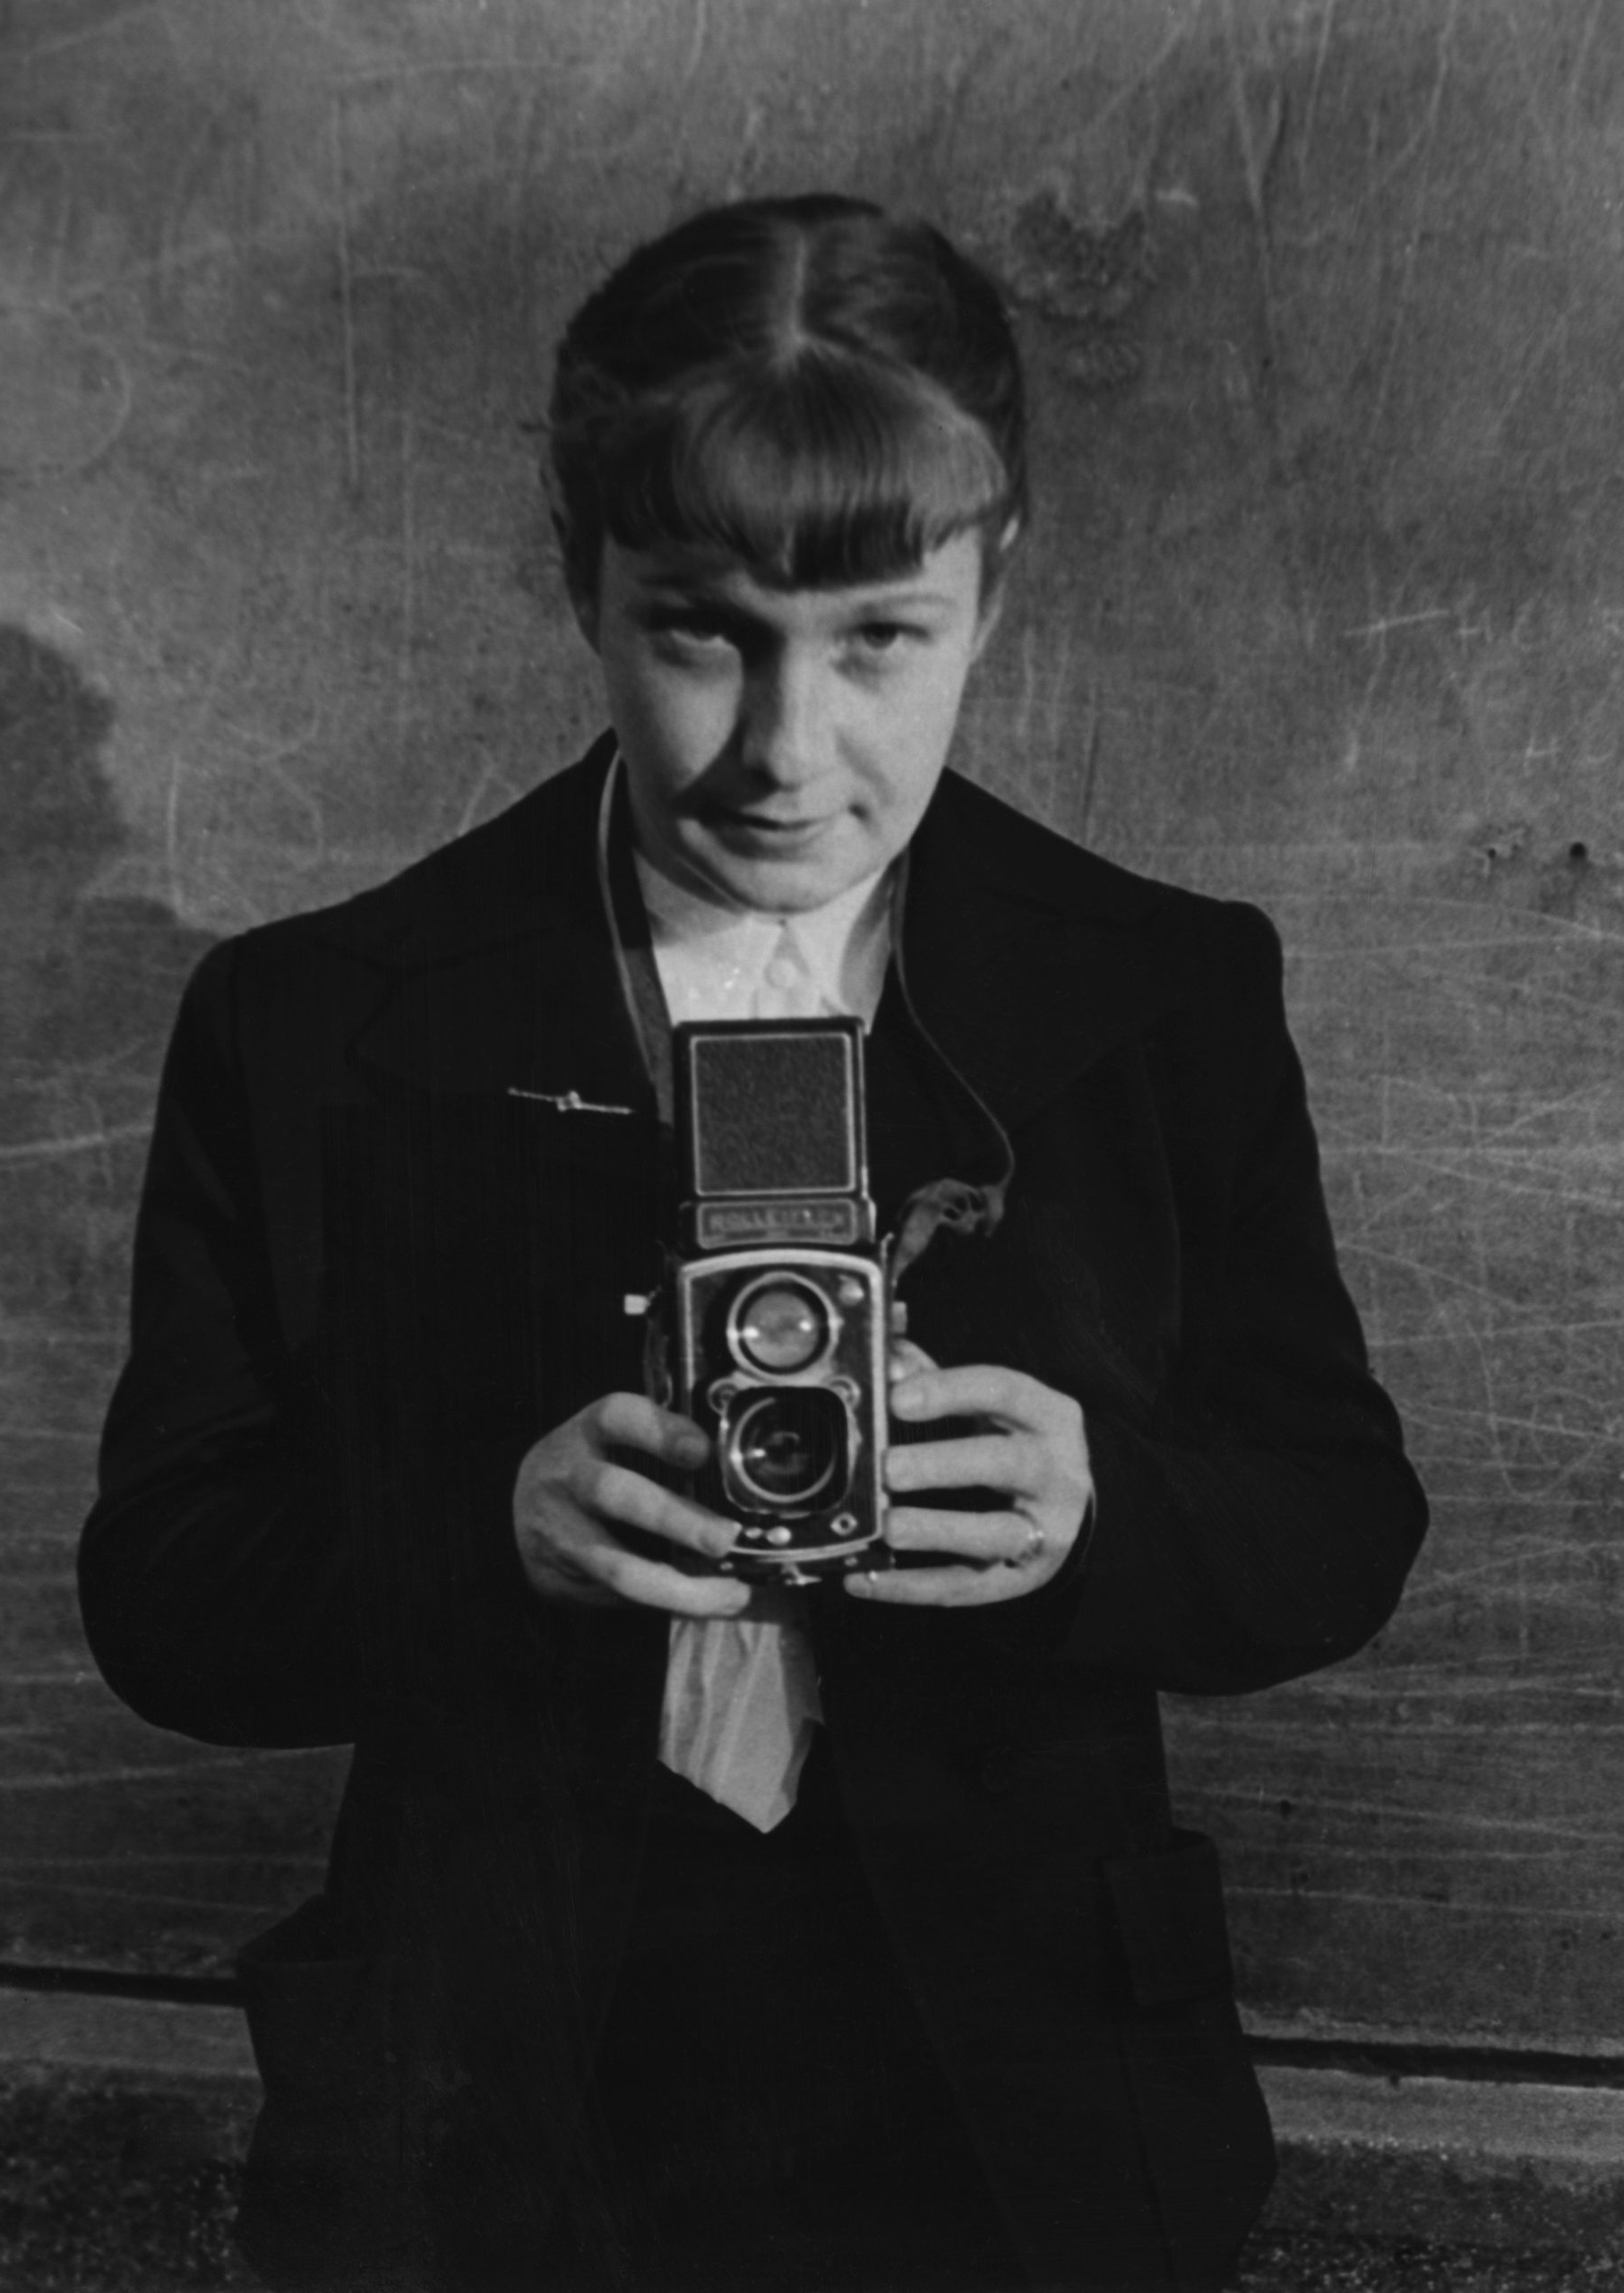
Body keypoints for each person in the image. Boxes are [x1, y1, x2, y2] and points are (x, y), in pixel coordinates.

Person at [78, 193, 1428, 2292]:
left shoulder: (1167, 996)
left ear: (999, 586)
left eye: (882, 636)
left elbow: (1337, 1518)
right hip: (494, 2120)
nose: (789, 754)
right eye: (700, 628)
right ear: (577, 587)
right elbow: (166, 1601)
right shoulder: (315, 1017)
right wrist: (481, 1528)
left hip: (1024, 2106)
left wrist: (1100, 1511)